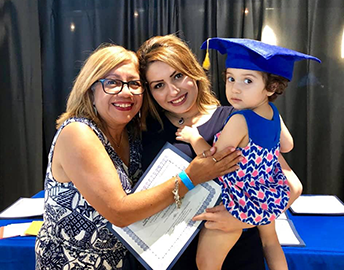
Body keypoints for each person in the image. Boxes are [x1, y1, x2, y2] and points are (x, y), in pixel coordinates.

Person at [34, 43, 241, 270]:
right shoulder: (78, 132)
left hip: (135, 260)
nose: (126, 92)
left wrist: (244, 219)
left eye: (133, 83)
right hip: (77, 264)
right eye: (112, 83)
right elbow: (119, 213)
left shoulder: (133, 134)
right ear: (90, 89)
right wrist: (191, 176)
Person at [137, 34, 292, 270]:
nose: (173, 91)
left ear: (193, 71)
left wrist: (243, 218)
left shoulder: (237, 117)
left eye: (178, 76)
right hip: (168, 257)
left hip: (234, 255)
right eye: (159, 85)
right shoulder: (145, 130)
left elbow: (290, 185)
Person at [175, 37, 321, 270]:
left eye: (248, 80)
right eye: (231, 78)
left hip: (238, 200)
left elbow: (214, 162)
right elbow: (287, 146)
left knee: (206, 263)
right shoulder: (273, 112)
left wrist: (195, 138)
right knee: (271, 244)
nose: (235, 88)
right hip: (266, 193)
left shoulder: (239, 120)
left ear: (271, 87)